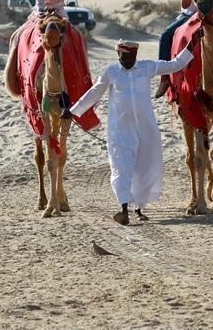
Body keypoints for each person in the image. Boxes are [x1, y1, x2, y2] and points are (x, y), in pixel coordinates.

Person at [68, 29, 205, 225]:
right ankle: (124, 208)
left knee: (144, 168)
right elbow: (94, 92)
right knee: (121, 167)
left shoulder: (146, 67)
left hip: (146, 130)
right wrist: (73, 110)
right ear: (118, 55)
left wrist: (192, 42)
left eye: (131, 56)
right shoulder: (111, 72)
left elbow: (175, 65)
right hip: (120, 131)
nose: (128, 60)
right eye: (124, 56)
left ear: (136, 55)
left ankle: (138, 208)